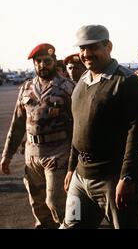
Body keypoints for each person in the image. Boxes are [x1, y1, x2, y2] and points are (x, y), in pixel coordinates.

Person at [62, 25, 138, 229]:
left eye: (92, 47)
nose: (86, 54)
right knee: (71, 225)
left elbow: (137, 133)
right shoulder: (82, 81)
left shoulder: (128, 82)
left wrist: (127, 176)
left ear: (108, 46)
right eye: (82, 48)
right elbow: (78, 128)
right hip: (80, 179)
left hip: (112, 179)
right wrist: (70, 168)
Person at [1, 43, 74, 228]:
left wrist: (76, 158)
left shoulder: (67, 87)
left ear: (54, 61)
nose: (42, 65)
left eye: (46, 61)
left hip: (59, 152)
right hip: (32, 154)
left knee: (56, 201)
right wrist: (6, 155)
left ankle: (76, 223)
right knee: (38, 204)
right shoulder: (26, 88)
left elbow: (78, 124)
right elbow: (17, 125)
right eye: (38, 61)